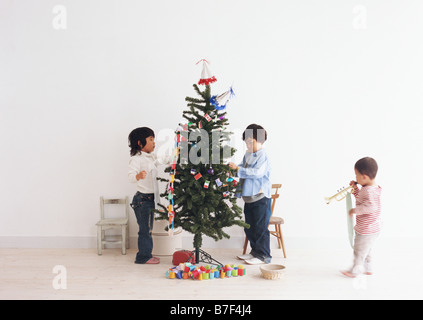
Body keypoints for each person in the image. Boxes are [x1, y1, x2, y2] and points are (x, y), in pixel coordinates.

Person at [229, 124, 272, 265]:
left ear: (260, 140)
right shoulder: (248, 154)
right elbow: (242, 168)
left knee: (260, 227)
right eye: (246, 142)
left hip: (261, 198)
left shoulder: (263, 156)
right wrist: (233, 169)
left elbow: (257, 173)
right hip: (249, 198)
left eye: (250, 142)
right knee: (249, 226)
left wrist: (239, 170)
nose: (248, 145)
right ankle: (255, 252)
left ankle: (264, 255)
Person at [128, 127, 167, 264]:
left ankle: (146, 254)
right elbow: (131, 176)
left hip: (151, 199)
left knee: (148, 228)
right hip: (143, 200)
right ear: (140, 143)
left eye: (153, 139)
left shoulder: (151, 157)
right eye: (150, 139)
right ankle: (143, 257)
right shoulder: (136, 159)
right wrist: (138, 176)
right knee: (145, 230)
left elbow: (161, 160)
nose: (154, 143)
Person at [342, 157, 382, 277]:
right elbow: (361, 199)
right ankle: (368, 267)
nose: (356, 178)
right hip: (373, 228)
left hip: (366, 229)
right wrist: (355, 189)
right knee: (367, 249)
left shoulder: (368, 191)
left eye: (357, 175)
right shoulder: (372, 188)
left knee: (359, 250)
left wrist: (355, 210)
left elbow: (370, 207)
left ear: (364, 176)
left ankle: (355, 270)